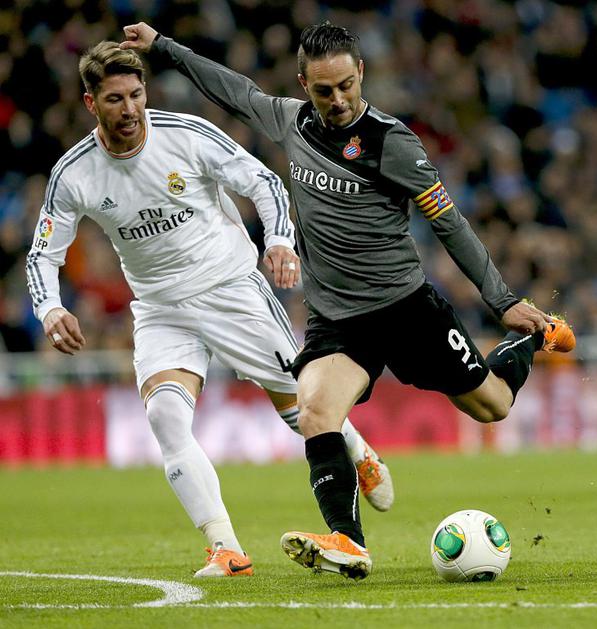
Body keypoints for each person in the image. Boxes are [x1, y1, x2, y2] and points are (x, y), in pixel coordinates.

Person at [120, 21, 575, 580]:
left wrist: (501, 301)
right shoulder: (291, 121)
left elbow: (449, 222)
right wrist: (163, 47)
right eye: (323, 90)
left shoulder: (392, 142)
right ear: (303, 84)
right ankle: (348, 541)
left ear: (361, 72)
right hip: (338, 320)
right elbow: (233, 90)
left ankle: (533, 335)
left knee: (493, 405)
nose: (337, 100)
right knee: (314, 411)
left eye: (345, 86)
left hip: (406, 309)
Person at [25, 40, 394, 579]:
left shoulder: (185, 135)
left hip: (230, 289)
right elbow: (43, 254)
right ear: (90, 103)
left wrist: (280, 242)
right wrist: (50, 309)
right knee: (164, 417)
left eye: (136, 94)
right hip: (160, 308)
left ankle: (358, 450)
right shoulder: (75, 173)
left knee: (301, 410)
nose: (130, 109)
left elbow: (263, 182)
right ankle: (226, 547)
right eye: (114, 99)